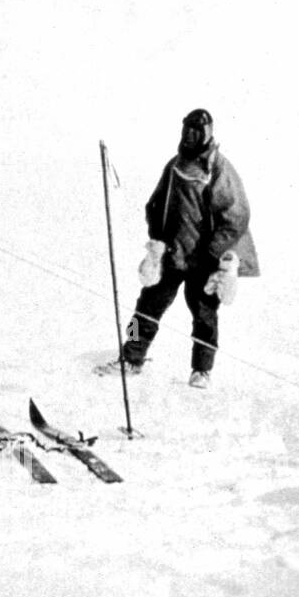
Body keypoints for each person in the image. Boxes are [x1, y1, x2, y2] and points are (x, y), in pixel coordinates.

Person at [100, 109, 258, 388]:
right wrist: (157, 241)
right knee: (145, 308)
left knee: (205, 317)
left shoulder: (219, 169)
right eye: (187, 129)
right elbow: (155, 205)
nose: (190, 136)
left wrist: (212, 252)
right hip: (173, 255)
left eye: (197, 131)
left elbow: (236, 217)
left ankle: (202, 370)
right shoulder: (175, 165)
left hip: (204, 261)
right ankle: (131, 356)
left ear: (208, 134)